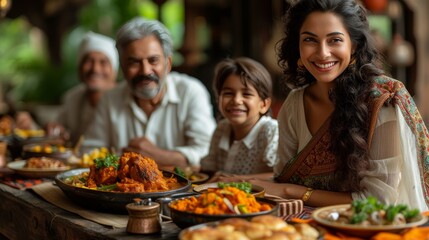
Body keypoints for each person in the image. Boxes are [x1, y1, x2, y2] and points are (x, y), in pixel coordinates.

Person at [218, 0, 429, 211]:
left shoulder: (381, 103)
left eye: (335, 40)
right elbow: (283, 177)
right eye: (310, 40)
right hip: (301, 222)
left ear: (354, 45)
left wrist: (290, 191)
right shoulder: (294, 103)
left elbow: (377, 202)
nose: (322, 53)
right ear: (297, 46)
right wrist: (245, 181)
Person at [82, 17, 216, 169]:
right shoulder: (110, 100)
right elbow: (89, 152)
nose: (145, 71)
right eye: (134, 62)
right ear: (122, 67)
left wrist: (157, 155)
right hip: (124, 191)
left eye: (153, 60)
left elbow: (208, 154)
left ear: (168, 64)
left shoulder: (190, 92)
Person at [201, 57, 278, 176]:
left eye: (247, 94)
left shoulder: (271, 131)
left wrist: (234, 180)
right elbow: (209, 170)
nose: (236, 100)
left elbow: (278, 175)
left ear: (264, 104)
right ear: (218, 99)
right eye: (228, 93)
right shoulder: (222, 128)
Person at [46, 31, 119, 146]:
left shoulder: (126, 100)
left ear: (114, 71)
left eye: (103, 62)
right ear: (79, 68)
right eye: (89, 61)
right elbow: (58, 130)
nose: (95, 69)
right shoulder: (72, 98)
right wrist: (56, 130)